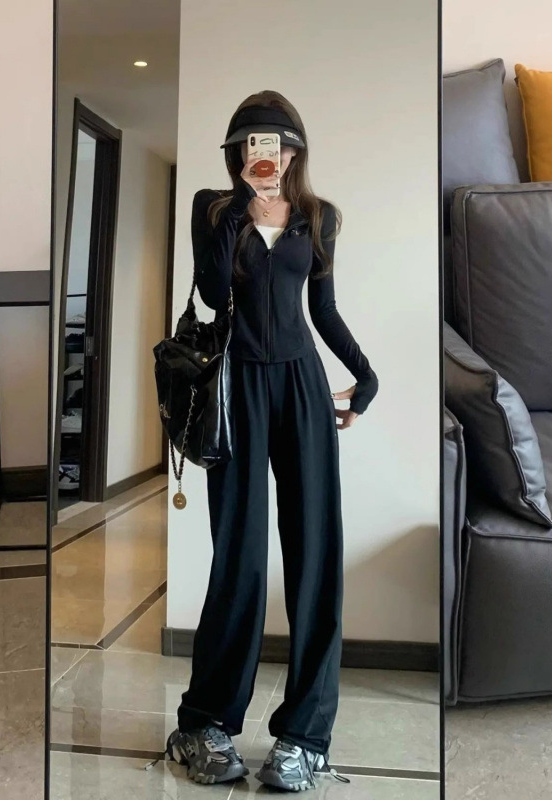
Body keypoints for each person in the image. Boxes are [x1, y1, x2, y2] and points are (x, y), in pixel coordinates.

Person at [165, 90, 379, 791]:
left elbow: (323, 309)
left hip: (302, 388)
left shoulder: (320, 217)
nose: (270, 155)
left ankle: (304, 737)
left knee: (315, 554)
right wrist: (241, 209)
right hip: (235, 389)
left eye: (281, 144)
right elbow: (211, 294)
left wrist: (366, 374)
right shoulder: (212, 209)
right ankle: (204, 724)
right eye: (256, 144)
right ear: (237, 152)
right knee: (241, 557)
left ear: (296, 150)